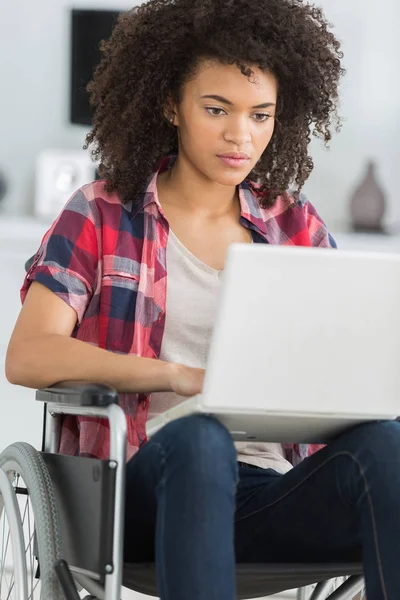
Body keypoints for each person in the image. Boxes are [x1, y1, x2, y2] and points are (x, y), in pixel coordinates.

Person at [6, 0, 400, 598]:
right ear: (172, 105)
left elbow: (338, 365)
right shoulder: (103, 213)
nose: (241, 136)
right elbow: (29, 355)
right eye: (217, 109)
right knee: (201, 438)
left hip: (270, 493)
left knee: (388, 443)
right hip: (146, 487)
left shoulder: (297, 226)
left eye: (260, 115)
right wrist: (179, 377)